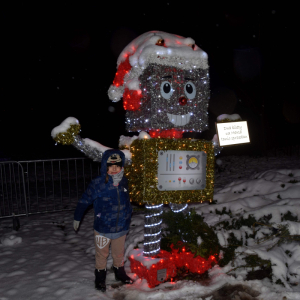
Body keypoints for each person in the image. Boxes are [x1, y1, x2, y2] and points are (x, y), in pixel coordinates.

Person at [73, 149, 133, 292]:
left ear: (122, 167)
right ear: (105, 166)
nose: (114, 168)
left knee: (119, 253)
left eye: (117, 165)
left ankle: (120, 273)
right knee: (102, 255)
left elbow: (127, 201)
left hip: (121, 226)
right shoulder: (98, 183)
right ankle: (100, 278)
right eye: (111, 165)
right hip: (103, 227)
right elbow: (84, 200)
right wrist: (77, 217)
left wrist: (128, 214)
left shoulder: (124, 181)